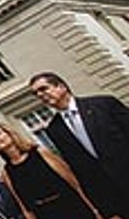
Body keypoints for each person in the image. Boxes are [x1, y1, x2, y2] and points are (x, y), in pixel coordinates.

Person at [30, 71, 129, 218]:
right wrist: (105, 210)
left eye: (43, 89)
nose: (40, 95)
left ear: (62, 87)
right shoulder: (54, 129)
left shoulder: (104, 104)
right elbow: (81, 171)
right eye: (35, 93)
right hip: (116, 199)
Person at [0, 120, 98, 219]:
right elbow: (24, 206)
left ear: (10, 134)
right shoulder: (7, 172)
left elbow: (73, 182)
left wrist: (94, 209)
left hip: (71, 206)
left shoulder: (40, 153)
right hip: (45, 214)